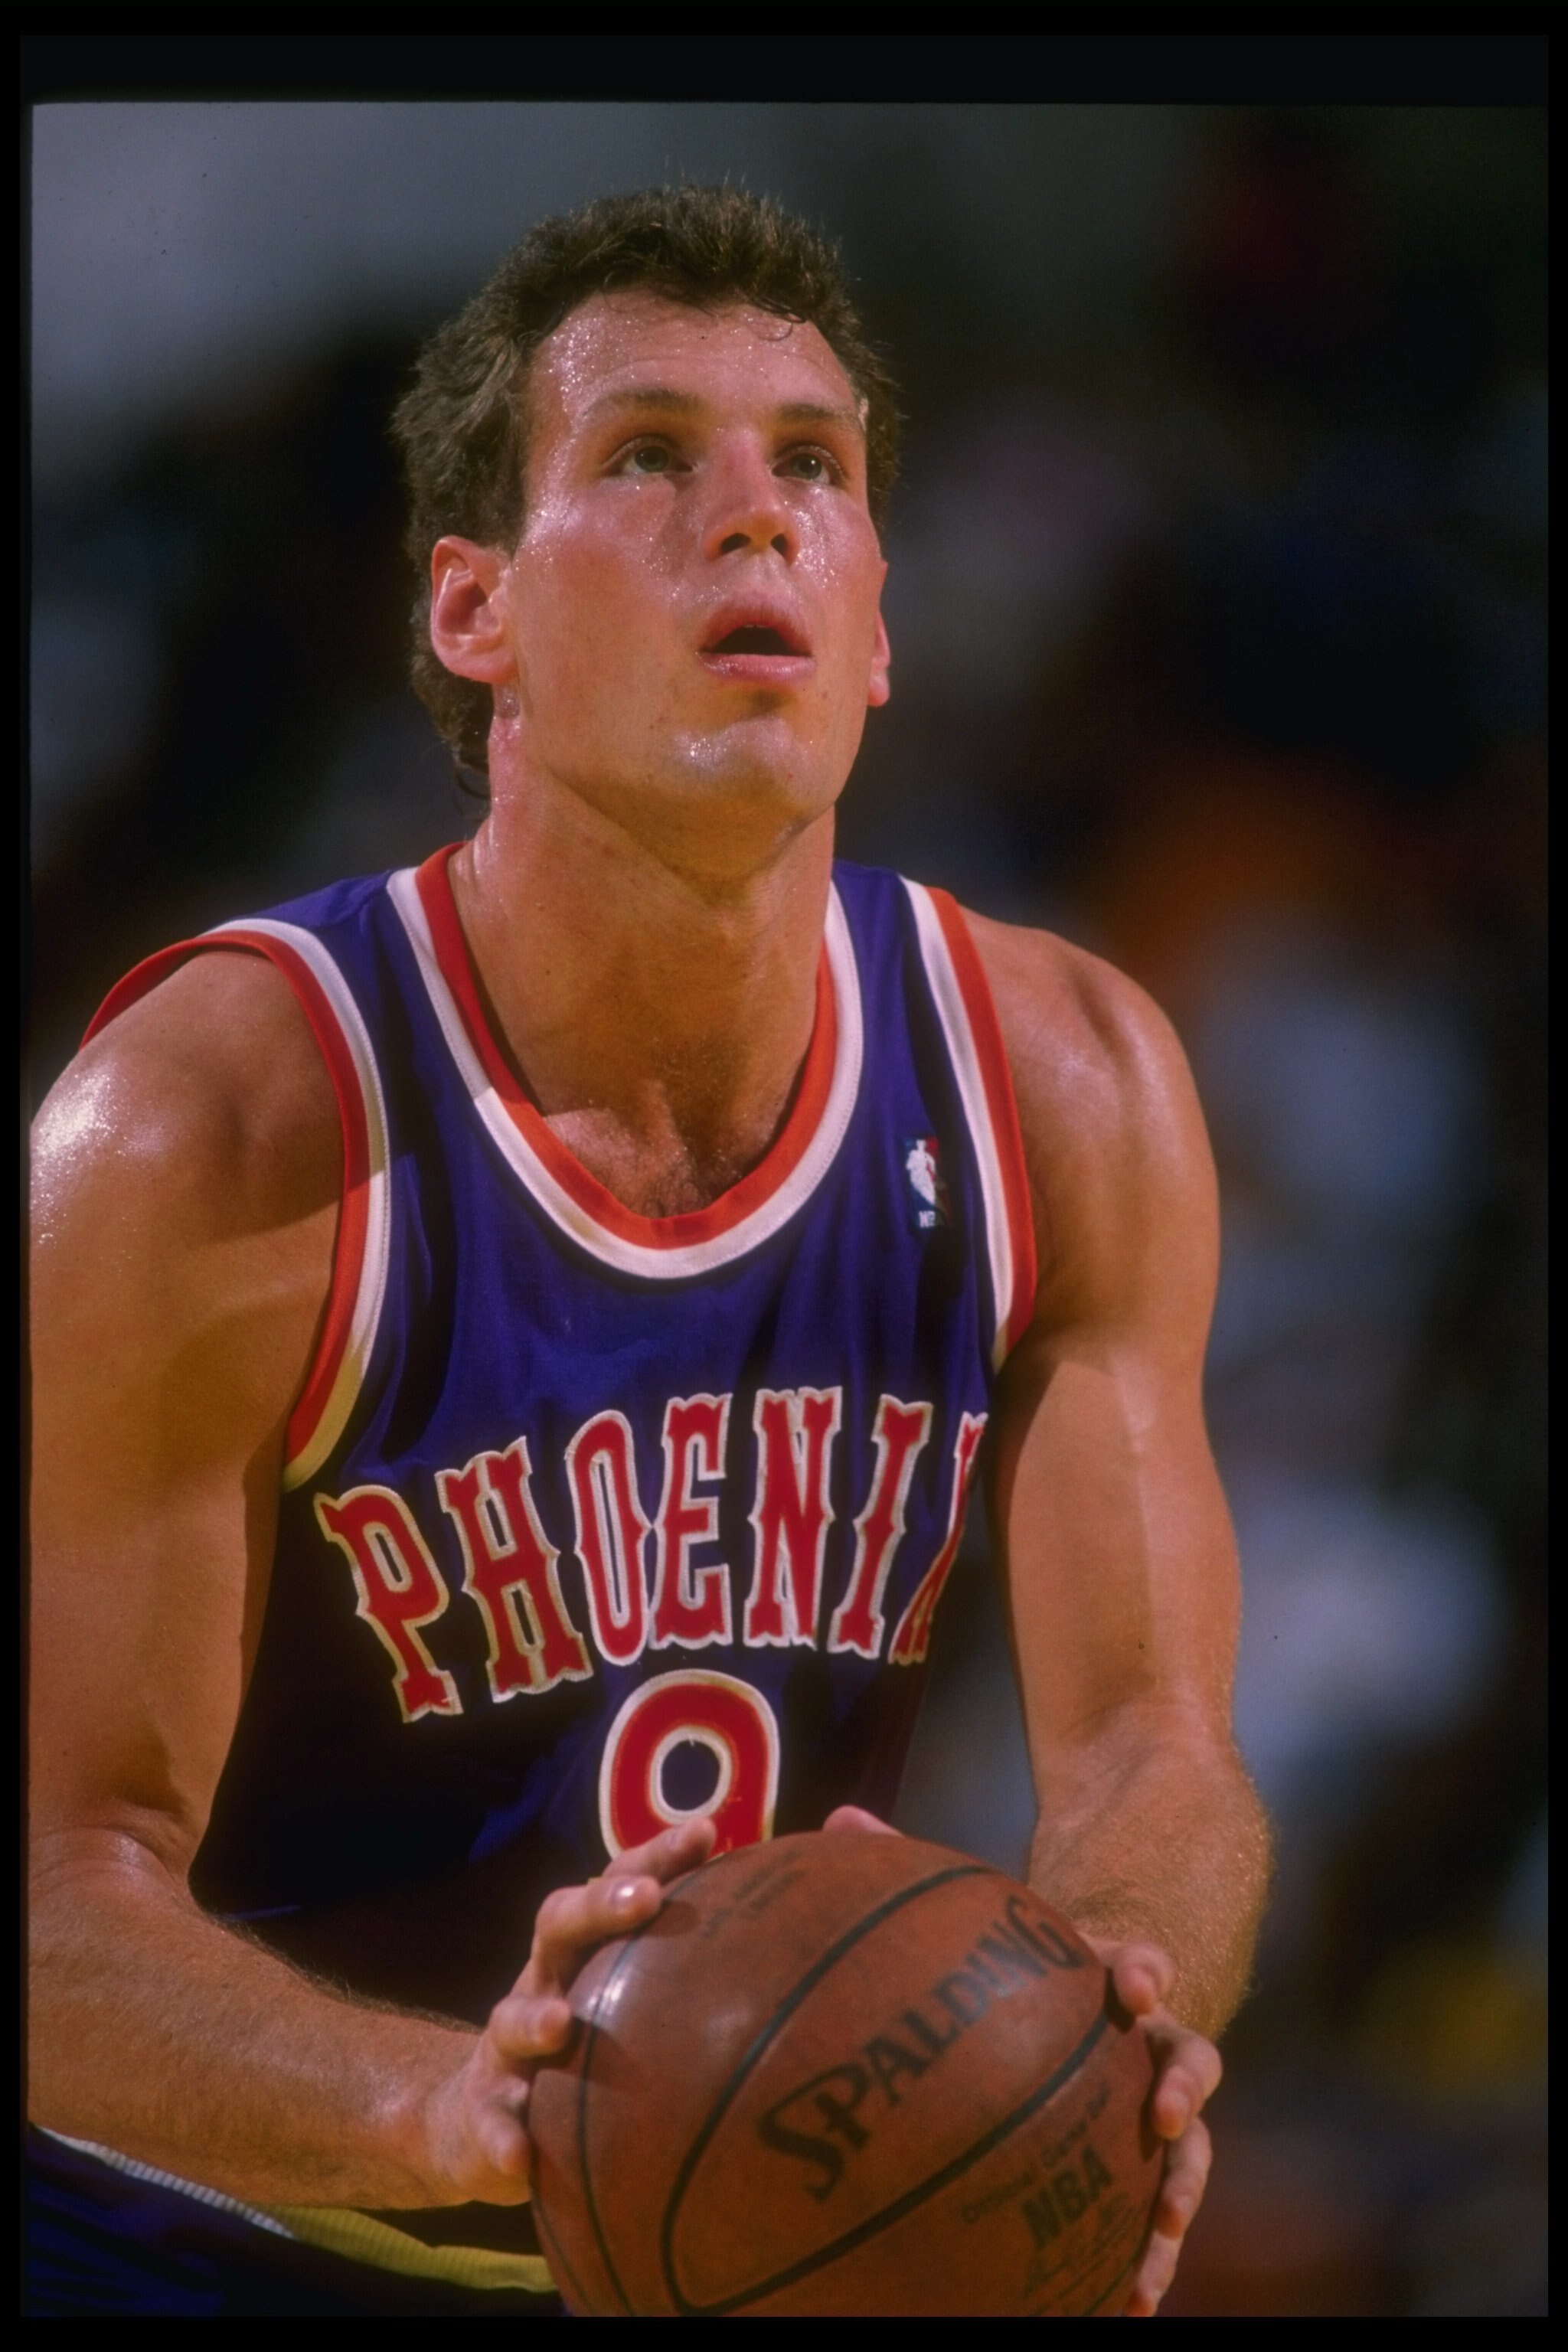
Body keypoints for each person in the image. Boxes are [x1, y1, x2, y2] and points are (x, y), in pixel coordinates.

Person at [28, 186, 1269, 2318]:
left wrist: (1105, 2018)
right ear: (474, 609)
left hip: (731, 2253)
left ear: (879, 624)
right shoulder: (216, 1122)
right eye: (647, 455)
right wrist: (455, 2113)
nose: (755, 515)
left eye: (815, 465)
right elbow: (52, 1898)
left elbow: (1162, 1745)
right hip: (192, 2243)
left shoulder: (1064, 1079)